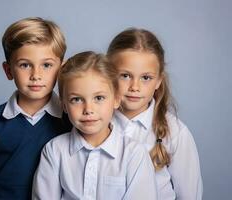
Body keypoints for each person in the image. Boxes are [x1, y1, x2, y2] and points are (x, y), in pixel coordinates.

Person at [32, 51, 157, 200]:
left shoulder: (134, 154)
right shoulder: (54, 151)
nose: (88, 110)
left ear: (116, 99)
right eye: (77, 100)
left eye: (99, 98)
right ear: (64, 105)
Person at [0, 17, 71, 200]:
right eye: (25, 65)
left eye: (47, 65)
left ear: (61, 70)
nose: (36, 75)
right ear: (8, 70)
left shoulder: (72, 120)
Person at [107, 28, 203, 200]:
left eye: (146, 78)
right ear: (107, 74)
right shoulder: (92, 122)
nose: (135, 87)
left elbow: (189, 195)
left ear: (158, 80)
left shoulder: (175, 133)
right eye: (125, 76)